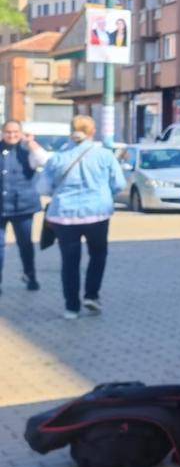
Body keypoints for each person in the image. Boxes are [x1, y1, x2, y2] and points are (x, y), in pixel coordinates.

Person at [33, 115, 126, 320]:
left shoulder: (57, 157)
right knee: (98, 254)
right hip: (97, 213)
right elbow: (119, 184)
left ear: (71, 131)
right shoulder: (104, 155)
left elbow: (43, 187)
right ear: (92, 132)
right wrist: (103, 192)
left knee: (69, 262)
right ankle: (91, 295)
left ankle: (71, 307)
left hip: (64, 216)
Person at [0, 121, 44, 293]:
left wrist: (31, 143)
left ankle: (30, 275)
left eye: (15, 132)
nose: (12, 135)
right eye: (8, 132)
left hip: (23, 207)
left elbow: (43, 161)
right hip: (1, 207)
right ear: (3, 132)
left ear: (21, 133)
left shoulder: (28, 150)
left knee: (25, 244)